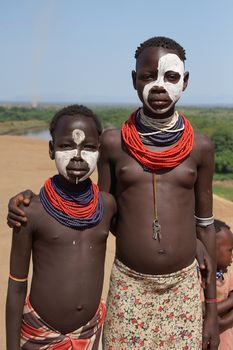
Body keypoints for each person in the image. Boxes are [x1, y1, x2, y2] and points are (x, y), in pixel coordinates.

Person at [7, 36, 218, 349]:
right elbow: (95, 207)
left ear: (185, 82)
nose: (159, 86)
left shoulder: (201, 148)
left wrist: (210, 308)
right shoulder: (112, 143)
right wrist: (29, 201)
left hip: (184, 286)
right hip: (128, 284)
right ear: (134, 80)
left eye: (171, 77)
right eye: (148, 76)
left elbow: (205, 224)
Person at [6, 104, 116, 349]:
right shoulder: (30, 211)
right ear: (51, 149)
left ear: (99, 150)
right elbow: (16, 286)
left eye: (88, 147)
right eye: (66, 146)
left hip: (91, 333)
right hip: (40, 335)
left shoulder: (107, 206)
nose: (77, 156)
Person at [214, 219, 233, 349]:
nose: (232, 256)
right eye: (230, 250)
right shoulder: (196, 278)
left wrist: (222, 321)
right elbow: (198, 309)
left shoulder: (228, 275)